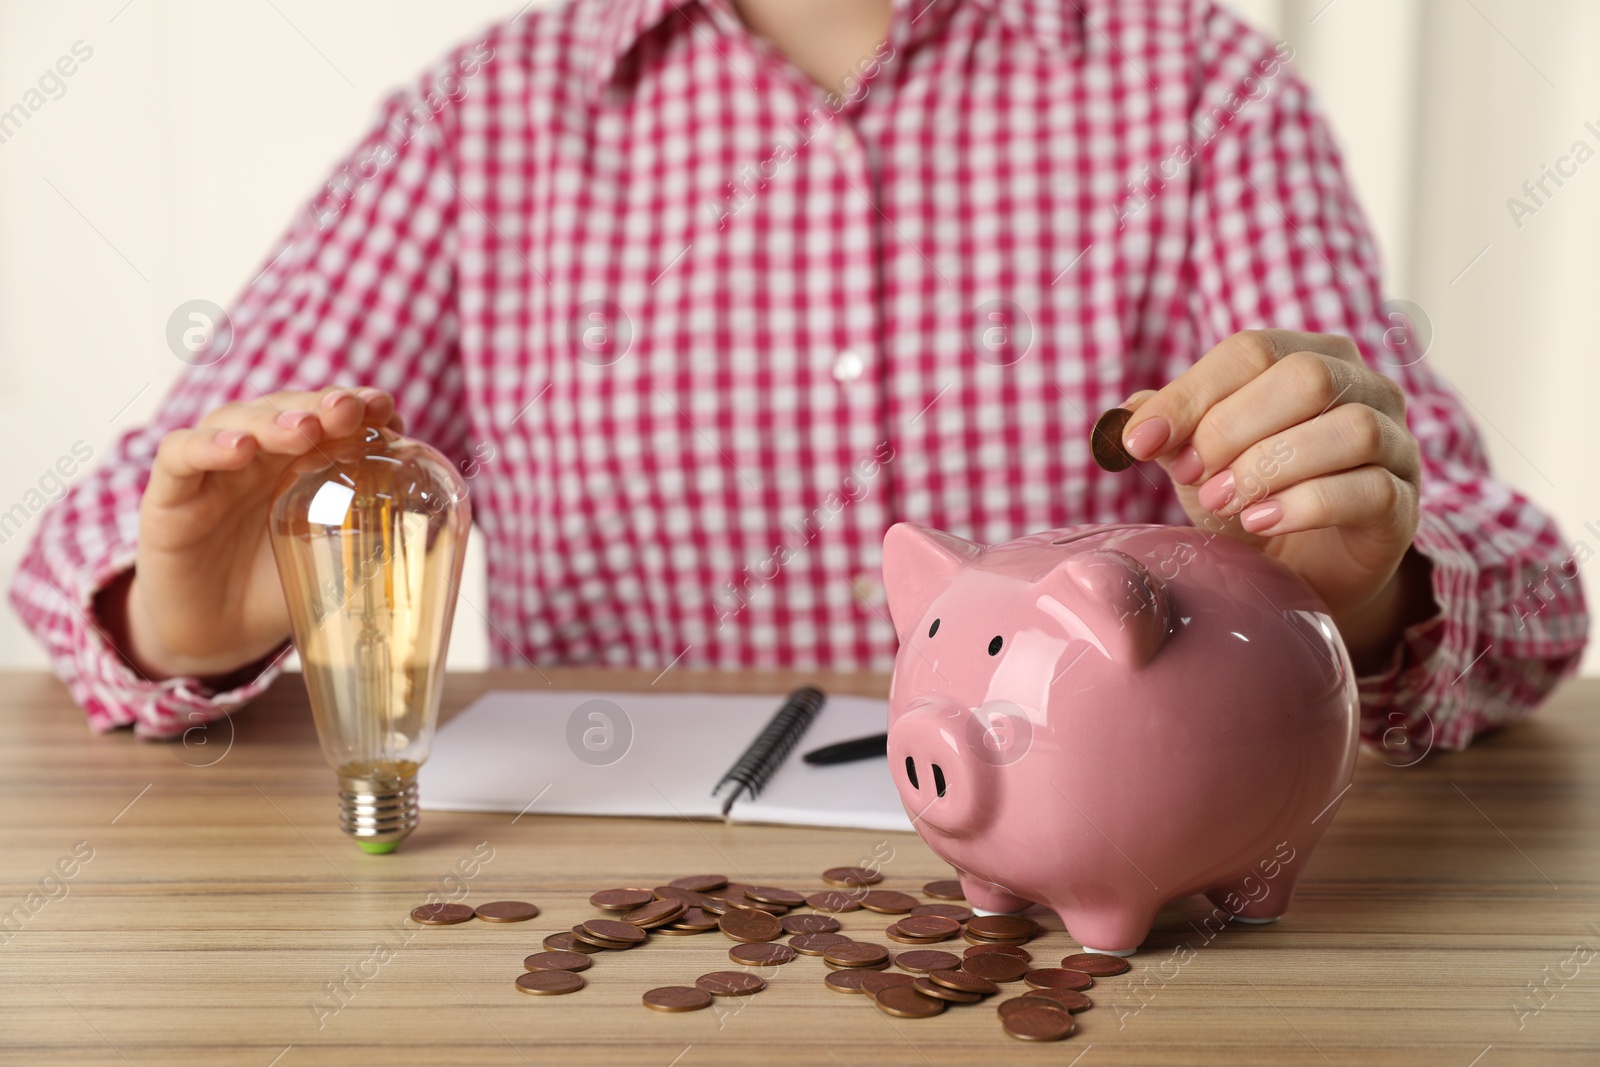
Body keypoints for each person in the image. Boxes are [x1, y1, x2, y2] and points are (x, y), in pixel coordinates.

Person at [10, 0, 1588, 750]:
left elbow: (1524, 596)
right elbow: (87, 547)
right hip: (592, 946)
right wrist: (181, 620)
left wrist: (1368, 586)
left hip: (1093, 933)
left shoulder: (1197, 94)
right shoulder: (479, 129)